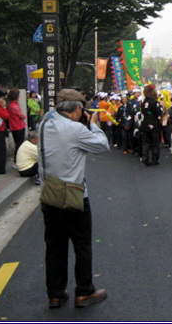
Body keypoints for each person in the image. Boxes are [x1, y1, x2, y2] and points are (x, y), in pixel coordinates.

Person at [38, 88, 110, 309]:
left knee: (54, 247)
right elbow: (102, 145)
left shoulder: (43, 124)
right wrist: (95, 124)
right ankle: (84, 291)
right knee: (82, 246)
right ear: (78, 109)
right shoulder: (75, 129)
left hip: (49, 195)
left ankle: (55, 293)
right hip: (74, 195)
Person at [139, 84, 163, 166]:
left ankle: (145, 158)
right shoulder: (154, 102)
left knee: (146, 143)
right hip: (154, 125)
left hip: (145, 124)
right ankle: (154, 159)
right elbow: (158, 112)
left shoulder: (144, 102)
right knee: (155, 143)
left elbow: (142, 111)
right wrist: (161, 107)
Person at [7, 89, 27, 163]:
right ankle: (18, 159)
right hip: (18, 126)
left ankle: (17, 159)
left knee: (18, 143)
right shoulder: (14, 106)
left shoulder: (11, 105)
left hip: (14, 126)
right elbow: (22, 116)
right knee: (19, 144)